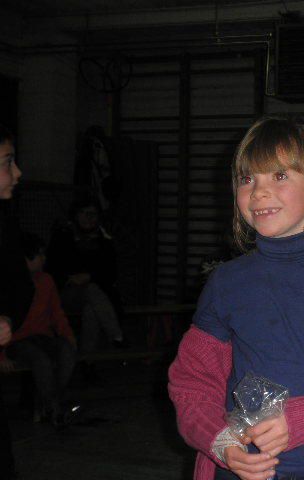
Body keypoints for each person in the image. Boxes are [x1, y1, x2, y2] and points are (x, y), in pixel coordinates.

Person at [168, 116, 304, 480]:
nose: (258, 192)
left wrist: (301, 417)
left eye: (279, 176)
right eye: (247, 179)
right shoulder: (227, 282)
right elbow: (193, 380)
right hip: (236, 470)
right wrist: (220, 442)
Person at [5, 232, 76, 425]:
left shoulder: (46, 281)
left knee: (67, 352)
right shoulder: (10, 283)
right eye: (39, 255)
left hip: (41, 337)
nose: (44, 259)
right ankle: (54, 408)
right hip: (16, 341)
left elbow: (57, 313)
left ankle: (50, 403)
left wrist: (68, 336)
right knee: (40, 359)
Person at [46, 195, 126, 355]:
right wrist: (71, 279)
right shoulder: (62, 237)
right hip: (66, 294)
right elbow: (52, 269)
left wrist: (90, 277)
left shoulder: (104, 242)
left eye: (93, 213)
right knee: (91, 291)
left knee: (91, 308)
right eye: (84, 213)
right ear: (75, 215)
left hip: (97, 295)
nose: (88, 218)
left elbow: (110, 273)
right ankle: (117, 336)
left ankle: (87, 361)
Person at [0, 124, 30, 480]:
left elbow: (20, 287)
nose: (18, 172)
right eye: (8, 161)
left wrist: (6, 317)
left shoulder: (5, 225)